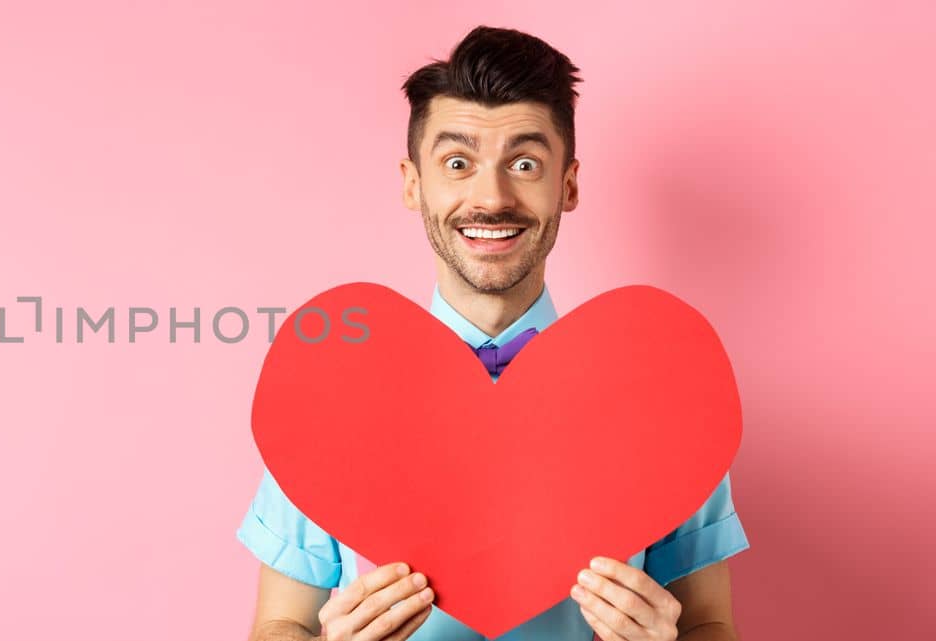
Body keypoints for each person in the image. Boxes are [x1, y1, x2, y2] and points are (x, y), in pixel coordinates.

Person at [237, 26, 750, 641]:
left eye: (525, 163)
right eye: (458, 163)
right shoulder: (329, 393)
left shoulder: (665, 394)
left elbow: (710, 624)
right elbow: (278, 623)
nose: (491, 197)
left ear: (568, 184)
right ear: (412, 182)